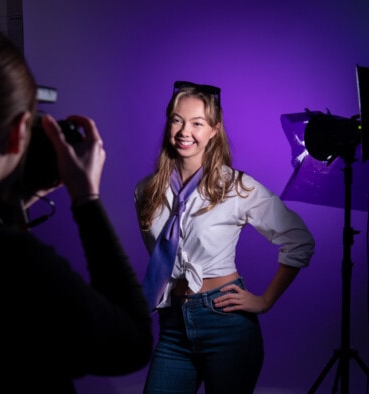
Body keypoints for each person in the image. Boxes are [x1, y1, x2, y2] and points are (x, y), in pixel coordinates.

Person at [0, 18, 152, 393]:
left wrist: (20, 200)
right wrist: (86, 197)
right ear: (17, 134)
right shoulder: (11, 267)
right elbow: (133, 342)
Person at [134, 81, 315, 393]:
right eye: (177, 120)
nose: (184, 132)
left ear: (214, 130)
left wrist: (265, 300)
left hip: (224, 323)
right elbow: (162, 258)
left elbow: (300, 239)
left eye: (197, 123)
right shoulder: (145, 190)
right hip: (173, 325)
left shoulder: (236, 187)